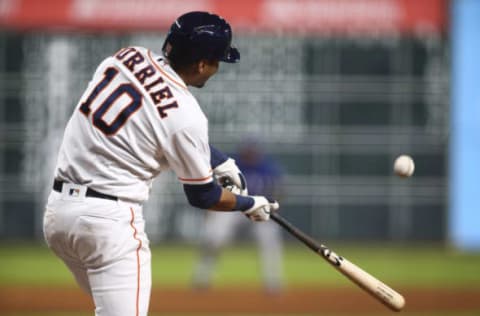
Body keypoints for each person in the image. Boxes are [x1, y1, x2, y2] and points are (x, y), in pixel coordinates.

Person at [42, 11, 279, 316]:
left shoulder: (127, 56)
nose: (217, 68)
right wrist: (248, 203)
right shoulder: (187, 114)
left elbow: (150, 118)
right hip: (107, 224)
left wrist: (220, 161)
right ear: (201, 63)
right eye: (218, 61)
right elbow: (203, 196)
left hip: (59, 216)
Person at [192, 139, 285, 293]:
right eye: (248, 149)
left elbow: (279, 191)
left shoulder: (267, 168)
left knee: (269, 240)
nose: (250, 153)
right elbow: (217, 190)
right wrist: (211, 211)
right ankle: (202, 278)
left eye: (253, 150)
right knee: (213, 237)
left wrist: (273, 207)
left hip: (259, 207)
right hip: (233, 208)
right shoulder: (233, 165)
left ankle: (273, 282)